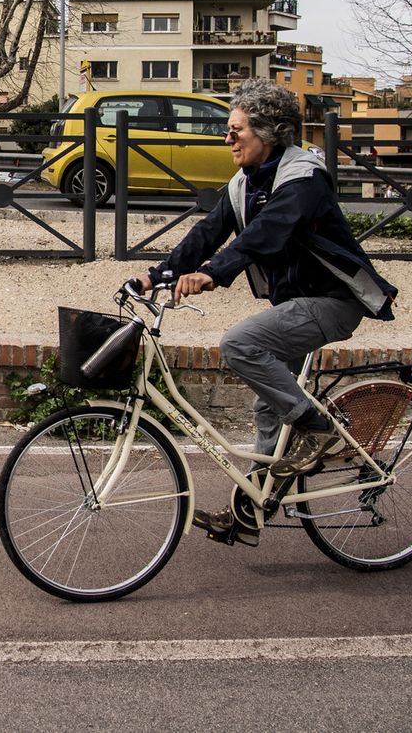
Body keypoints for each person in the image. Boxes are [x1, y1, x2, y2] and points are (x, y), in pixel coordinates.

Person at [127, 79, 397, 545]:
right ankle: (252, 508)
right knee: (268, 406)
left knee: (240, 344)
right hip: (294, 302)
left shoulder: (303, 177)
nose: (227, 139)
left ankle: (317, 431)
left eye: (237, 130)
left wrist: (212, 274)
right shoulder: (246, 183)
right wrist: (156, 274)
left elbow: (268, 234)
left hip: (334, 301)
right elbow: (208, 232)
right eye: (227, 130)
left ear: (269, 133)